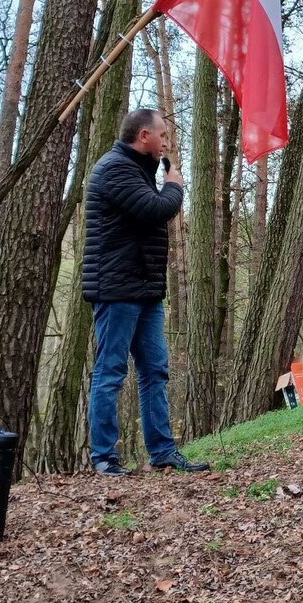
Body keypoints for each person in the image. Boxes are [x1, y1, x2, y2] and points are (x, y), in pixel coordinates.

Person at [82, 109, 209, 475]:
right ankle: (104, 457)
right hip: (117, 288)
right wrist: (175, 183)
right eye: (163, 135)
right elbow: (156, 210)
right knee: (110, 371)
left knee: (155, 370)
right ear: (143, 136)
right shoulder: (115, 169)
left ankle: (163, 451)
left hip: (145, 289)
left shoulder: (136, 169)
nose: (167, 141)